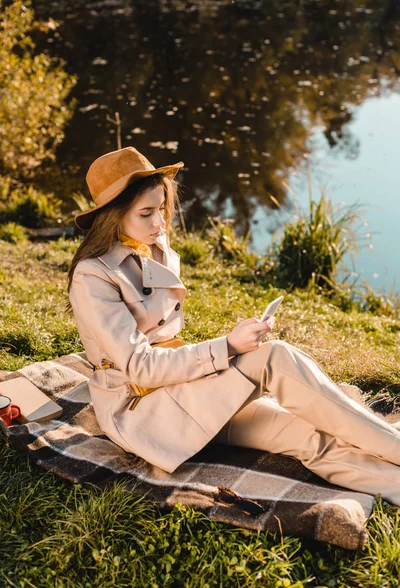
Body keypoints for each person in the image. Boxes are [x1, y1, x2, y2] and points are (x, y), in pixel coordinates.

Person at [67, 146, 400, 506]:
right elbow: (140, 368)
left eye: (161, 209)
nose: (160, 224)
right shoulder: (92, 276)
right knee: (273, 357)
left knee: (305, 435)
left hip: (182, 386)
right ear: (113, 216)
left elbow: (164, 341)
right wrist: (227, 346)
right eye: (146, 214)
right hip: (140, 411)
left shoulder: (152, 247)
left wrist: (222, 353)